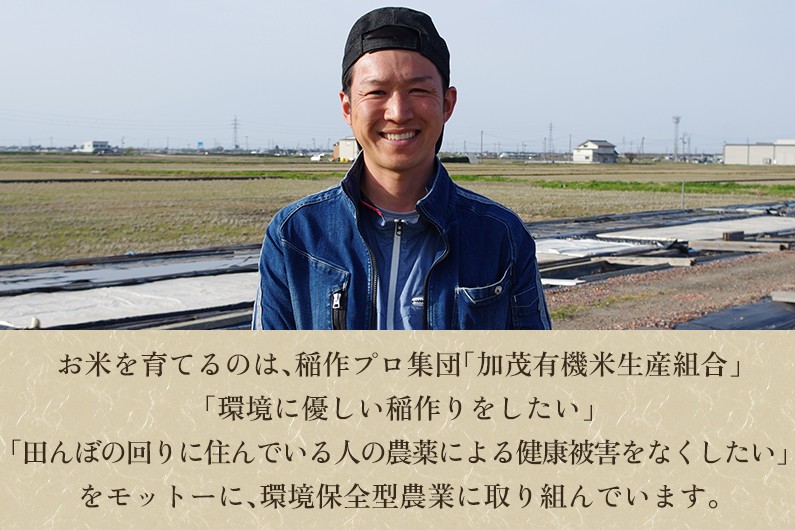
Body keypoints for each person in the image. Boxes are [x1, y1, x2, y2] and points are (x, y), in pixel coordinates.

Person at [253, 7, 550, 330]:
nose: (398, 112)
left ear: (447, 104)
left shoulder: (501, 236)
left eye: (418, 90)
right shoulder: (296, 235)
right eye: (376, 92)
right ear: (347, 107)